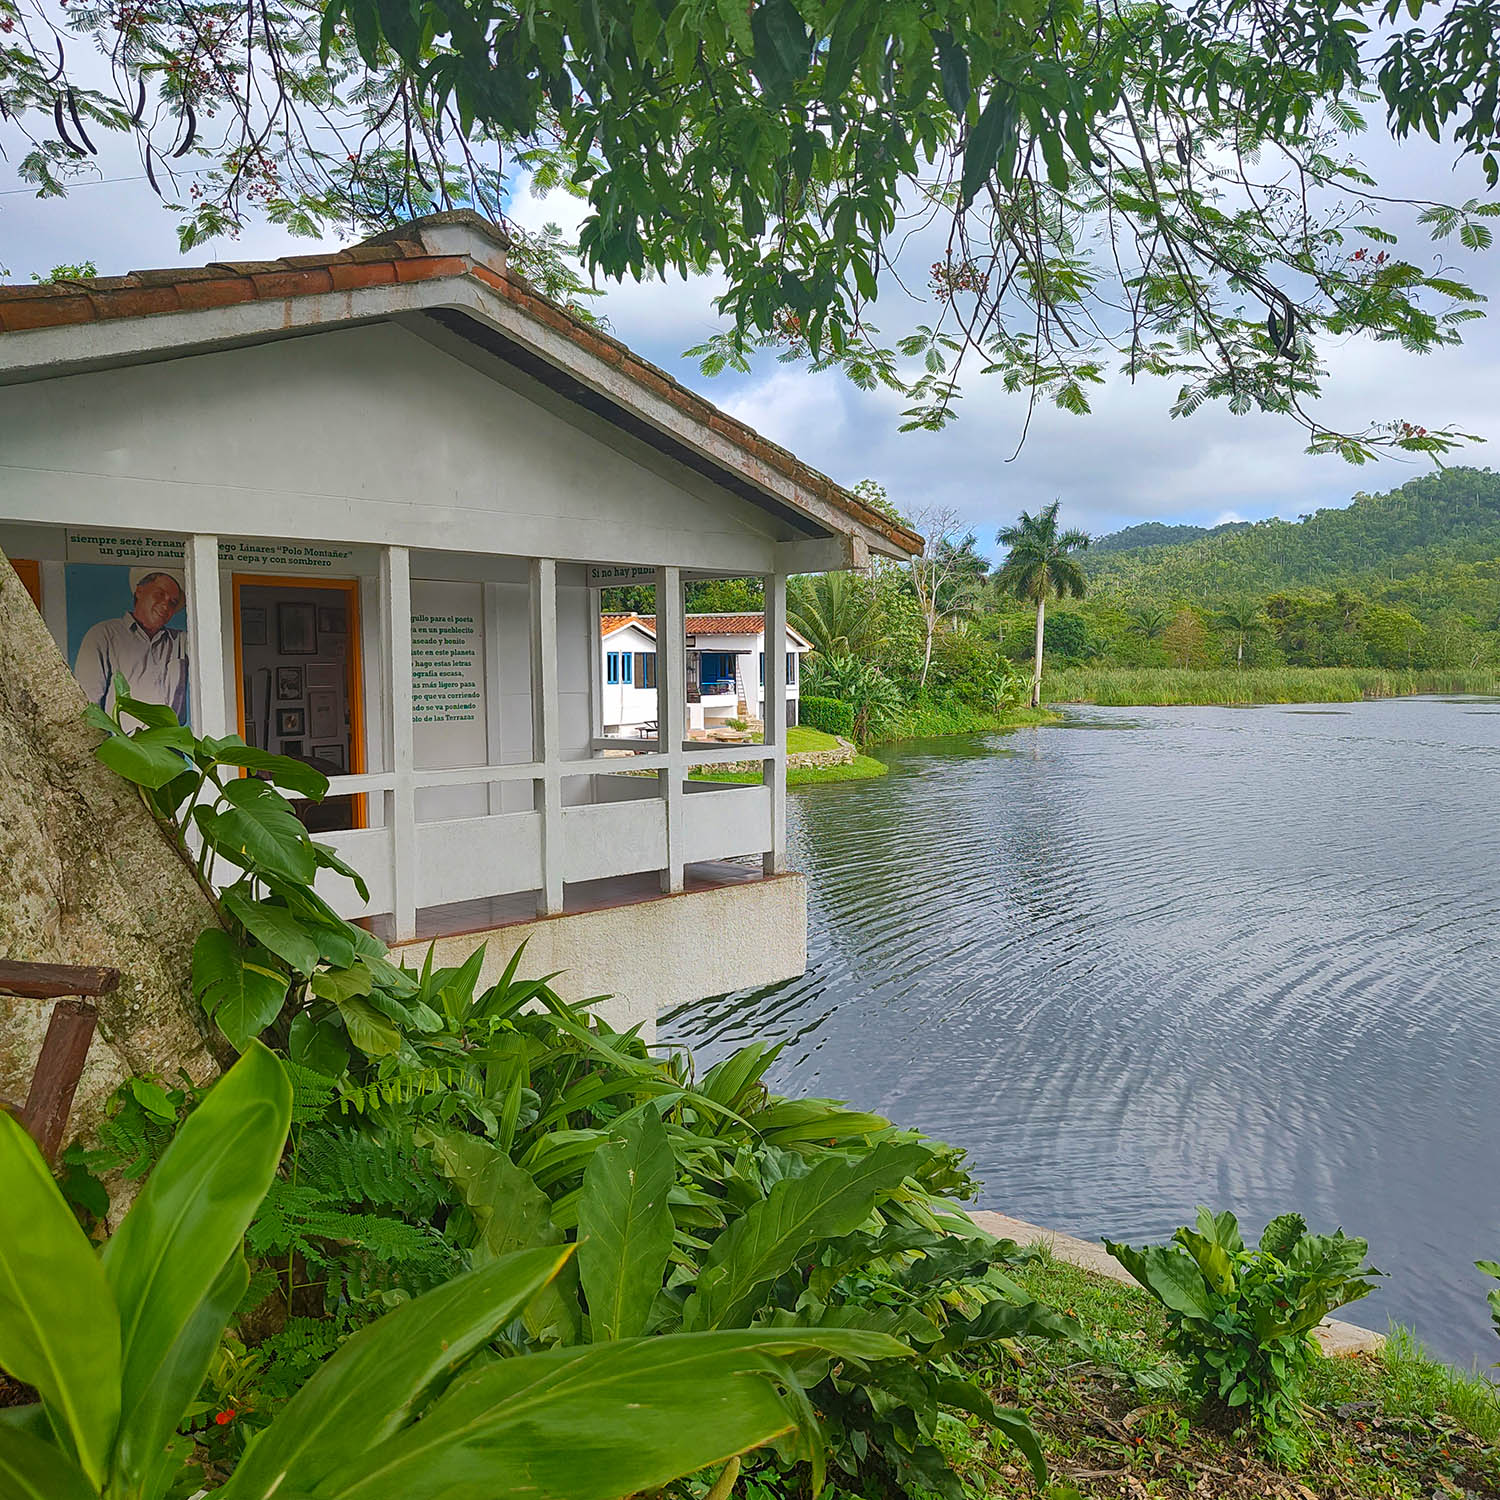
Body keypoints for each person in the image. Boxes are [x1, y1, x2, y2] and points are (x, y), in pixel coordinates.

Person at [74, 567, 190, 721]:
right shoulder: (104, 634)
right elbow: (88, 703)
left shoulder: (181, 641)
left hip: (169, 742)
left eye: (173, 602)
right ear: (140, 591)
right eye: (159, 594)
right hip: (123, 742)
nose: (165, 605)